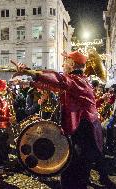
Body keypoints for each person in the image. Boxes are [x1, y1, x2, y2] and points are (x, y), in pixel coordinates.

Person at [12, 51, 104, 189]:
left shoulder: (78, 81)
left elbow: (58, 80)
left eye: (65, 61)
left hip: (84, 137)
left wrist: (30, 71)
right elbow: (52, 85)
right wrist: (27, 81)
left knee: (73, 178)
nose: (63, 64)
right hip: (80, 135)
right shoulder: (76, 81)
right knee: (71, 176)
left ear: (72, 64)